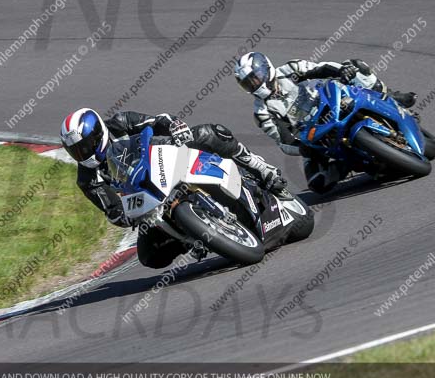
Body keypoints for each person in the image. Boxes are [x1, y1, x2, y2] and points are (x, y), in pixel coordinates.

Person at [60, 109, 285, 268]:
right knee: (150, 257)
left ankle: (259, 167)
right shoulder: (87, 180)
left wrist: (174, 126)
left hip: (162, 160)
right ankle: (190, 236)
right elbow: (110, 208)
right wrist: (119, 214)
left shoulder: (120, 122)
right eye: (76, 151)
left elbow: (157, 121)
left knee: (210, 132)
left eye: (85, 146)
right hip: (146, 200)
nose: (83, 153)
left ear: (98, 133)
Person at [234, 51, 417, 193]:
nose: (255, 84)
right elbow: (283, 140)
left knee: (356, 66)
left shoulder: (290, 70)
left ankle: (392, 96)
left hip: (331, 102)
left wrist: (341, 70)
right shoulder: (262, 112)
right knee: (317, 184)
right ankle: (348, 164)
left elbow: (319, 68)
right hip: (314, 135)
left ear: (266, 68)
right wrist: (303, 147)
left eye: (255, 77)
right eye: (248, 83)